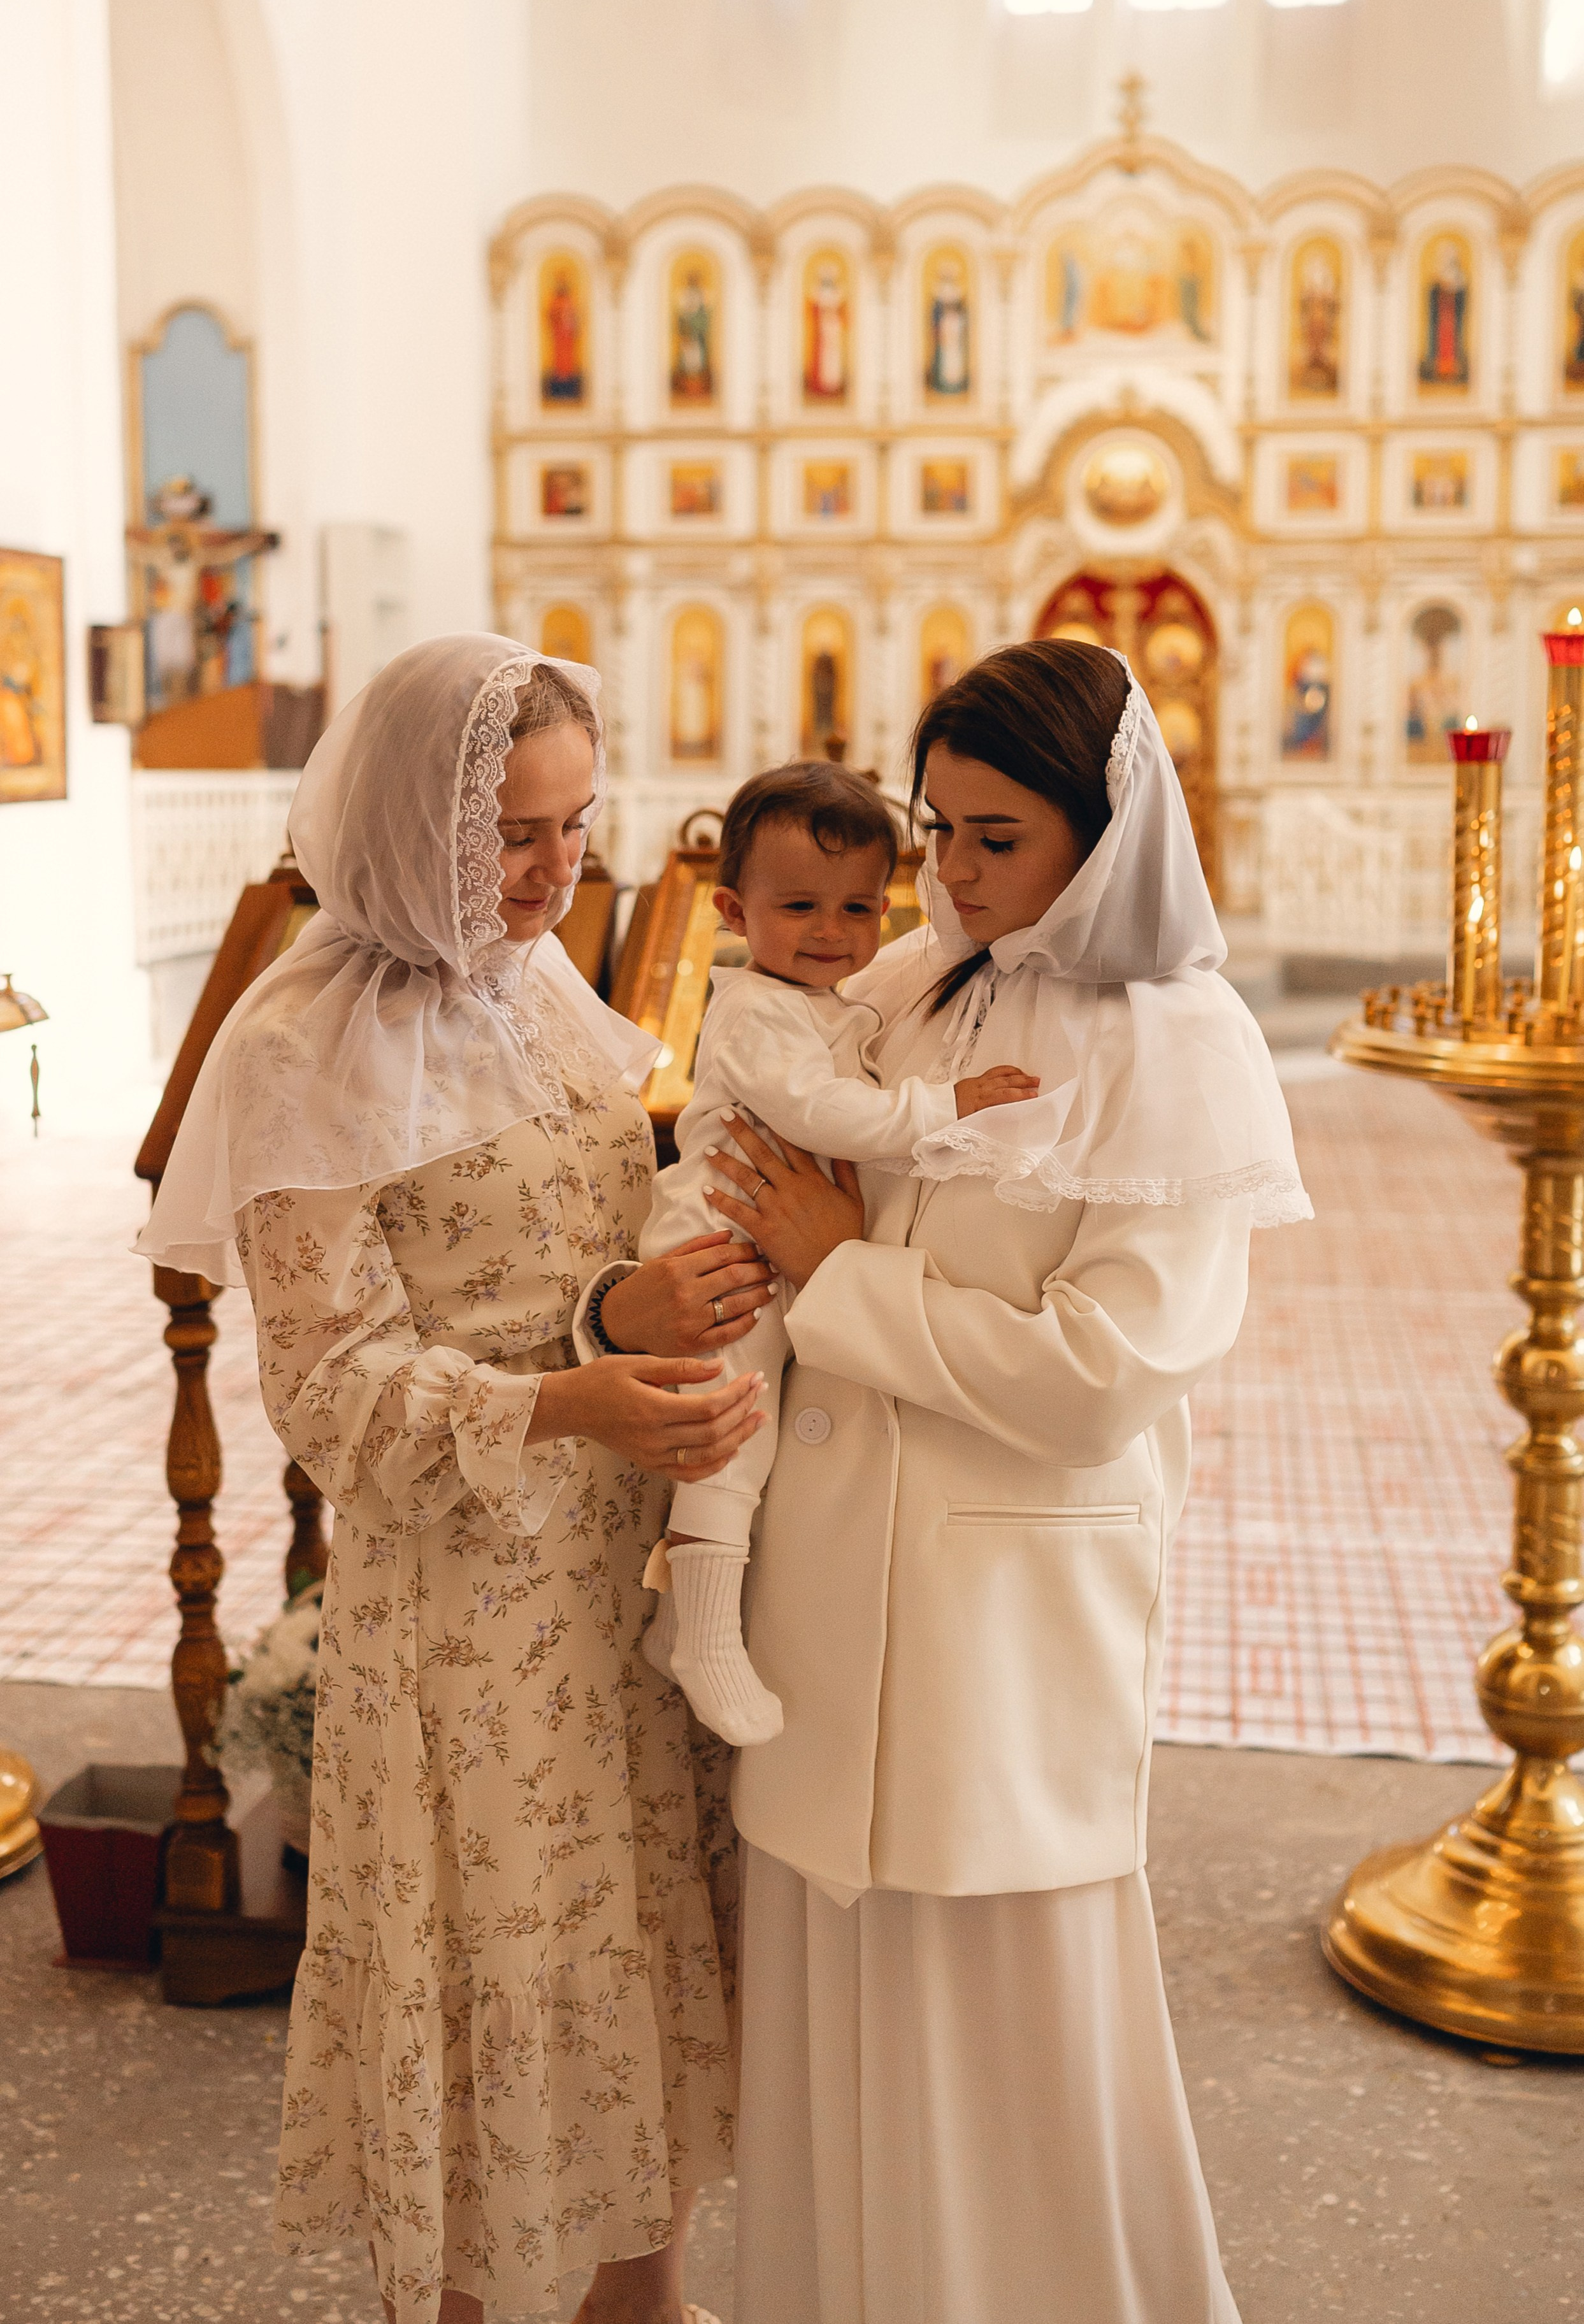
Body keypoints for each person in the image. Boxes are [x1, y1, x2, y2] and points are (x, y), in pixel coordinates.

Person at [137, 634, 775, 2324]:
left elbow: (584, 1260)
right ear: (414, 819)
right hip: (463, 1610)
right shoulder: (295, 1047)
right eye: (514, 833)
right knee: (490, 1963)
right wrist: (576, 1400)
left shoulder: (546, 991)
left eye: (576, 830)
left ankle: (637, 2298)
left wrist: (649, 1307)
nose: (555, 874)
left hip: (615, 1563)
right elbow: (329, 1398)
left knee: (632, 1936)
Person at [700, 640, 1311, 2324]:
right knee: (834, 2029)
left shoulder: (1176, 1043)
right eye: (933, 828)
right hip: (825, 1605)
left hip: (994, 1625)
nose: (949, 874)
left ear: (1101, 835)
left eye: (994, 837)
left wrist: (835, 1276)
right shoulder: (902, 981)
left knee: (1006, 2056)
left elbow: (1102, 1377)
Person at [608, 759, 1035, 1747]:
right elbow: (817, 1113)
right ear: (730, 907)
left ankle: (681, 1618)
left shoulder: (832, 1001)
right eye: (798, 905)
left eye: (857, 908)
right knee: (734, 1425)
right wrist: (945, 1109)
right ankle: (704, 1637)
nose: (831, 932)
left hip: (767, 1238)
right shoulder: (757, 1007)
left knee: (752, 1430)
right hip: (721, 1245)